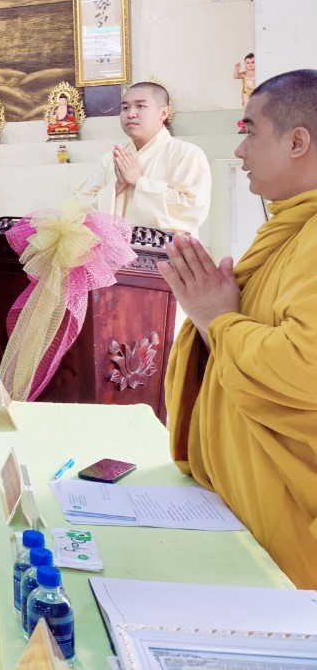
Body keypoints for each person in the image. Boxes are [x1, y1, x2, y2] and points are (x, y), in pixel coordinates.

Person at [161, 69, 317, 589]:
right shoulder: (293, 227)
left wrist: (216, 317)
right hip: (246, 511)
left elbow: (305, 367)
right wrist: (214, 315)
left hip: (294, 539)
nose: (240, 150)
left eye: (250, 132)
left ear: (297, 142)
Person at [75, 82, 212, 234]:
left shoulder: (187, 154)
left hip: (166, 248)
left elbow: (192, 210)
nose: (131, 114)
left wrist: (139, 183)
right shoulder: (110, 159)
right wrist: (116, 188)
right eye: (125, 108)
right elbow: (77, 209)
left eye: (140, 106)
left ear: (163, 113)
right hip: (114, 248)